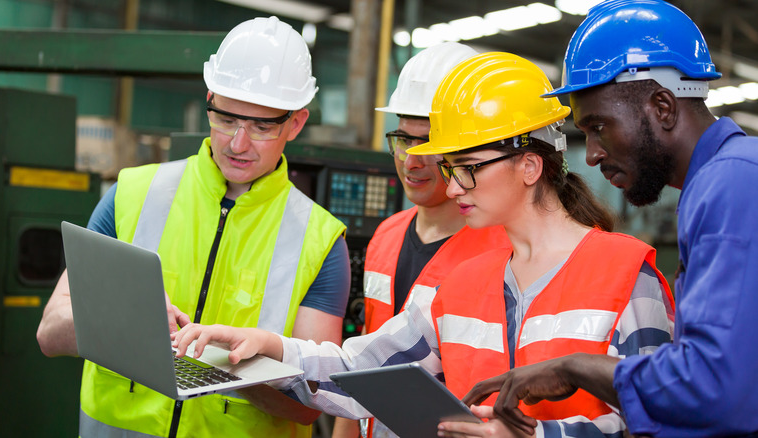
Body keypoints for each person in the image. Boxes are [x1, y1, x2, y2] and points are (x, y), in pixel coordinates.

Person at [170, 52, 675, 438]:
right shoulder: (457, 285)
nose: (452, 188)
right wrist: (269, 348)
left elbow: (662, 418)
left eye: (466, 169)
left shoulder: (627, 277)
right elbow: (359, 372)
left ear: (529, 165)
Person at [36, 16, 350, 438]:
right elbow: (50, 333)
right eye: (225, 118)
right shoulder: (131, 193)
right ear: (209, 99)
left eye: (261, 126)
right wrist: (128, 326)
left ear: (295, 123)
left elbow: (310, 404)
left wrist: (227, 364)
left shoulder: (320, 241)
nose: (238, 143)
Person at [459, 1, 758, 437]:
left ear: (662, 107)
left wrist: (577, 367)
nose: (594, 153)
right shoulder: (724, 180)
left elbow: (717, 390)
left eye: (599, 127)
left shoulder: (731, 183)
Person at [332, 42, 513, 438]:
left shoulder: (503, 251)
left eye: (429, 145)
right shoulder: (387, 234)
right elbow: (364, 356)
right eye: (403, 139)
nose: (411, 160)